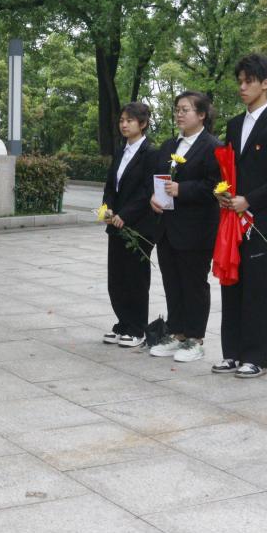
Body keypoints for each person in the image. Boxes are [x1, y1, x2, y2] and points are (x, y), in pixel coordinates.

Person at [215, 54, 267, 378]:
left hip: (261, 221)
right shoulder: (235, 124)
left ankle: (256, 357)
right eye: (240, 81)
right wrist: (222, 192)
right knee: (231, 284)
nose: (242, 87)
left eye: (249, 81)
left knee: (259, 291)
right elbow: (227, 168)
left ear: (266, 83)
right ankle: (232, 353)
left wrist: (249, 200)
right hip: (232, 219)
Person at [148, 92, 221, 362]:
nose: (179, 114)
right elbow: (157, 179)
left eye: (185, 110)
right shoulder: (169, 145)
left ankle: (195, 338)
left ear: (201, 115)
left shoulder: (212, 146)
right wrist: (154, 197)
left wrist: (183, 189)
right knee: (172, 282)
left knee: (194, 284)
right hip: (167, 227)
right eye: (177, 109)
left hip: (196, 229)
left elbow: (216, 186)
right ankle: (176, 332)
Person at [100, 102, 158, 348]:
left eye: (129, 120)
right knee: (117, 278)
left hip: (139, 227)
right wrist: (107, 208)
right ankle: (123, 323)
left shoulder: (151, 154)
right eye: (122, 120)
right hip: (116, 224)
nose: (124, 125)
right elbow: (111, 185)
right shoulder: (120, 151)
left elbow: (147, 191)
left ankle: (137, 328)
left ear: (142, 124)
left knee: (135, 278)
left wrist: (125, 214)